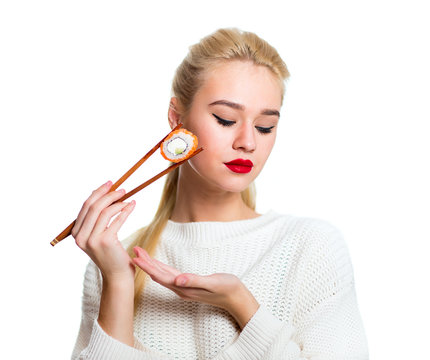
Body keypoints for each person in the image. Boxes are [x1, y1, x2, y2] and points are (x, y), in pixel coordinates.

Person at [71, 28, 369, 359]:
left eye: (265, 126)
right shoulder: (114, 262)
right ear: (176, 119)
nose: (248, 142)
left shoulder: (311, 248)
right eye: (226, 119)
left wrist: (242, 304)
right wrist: (118, 284)